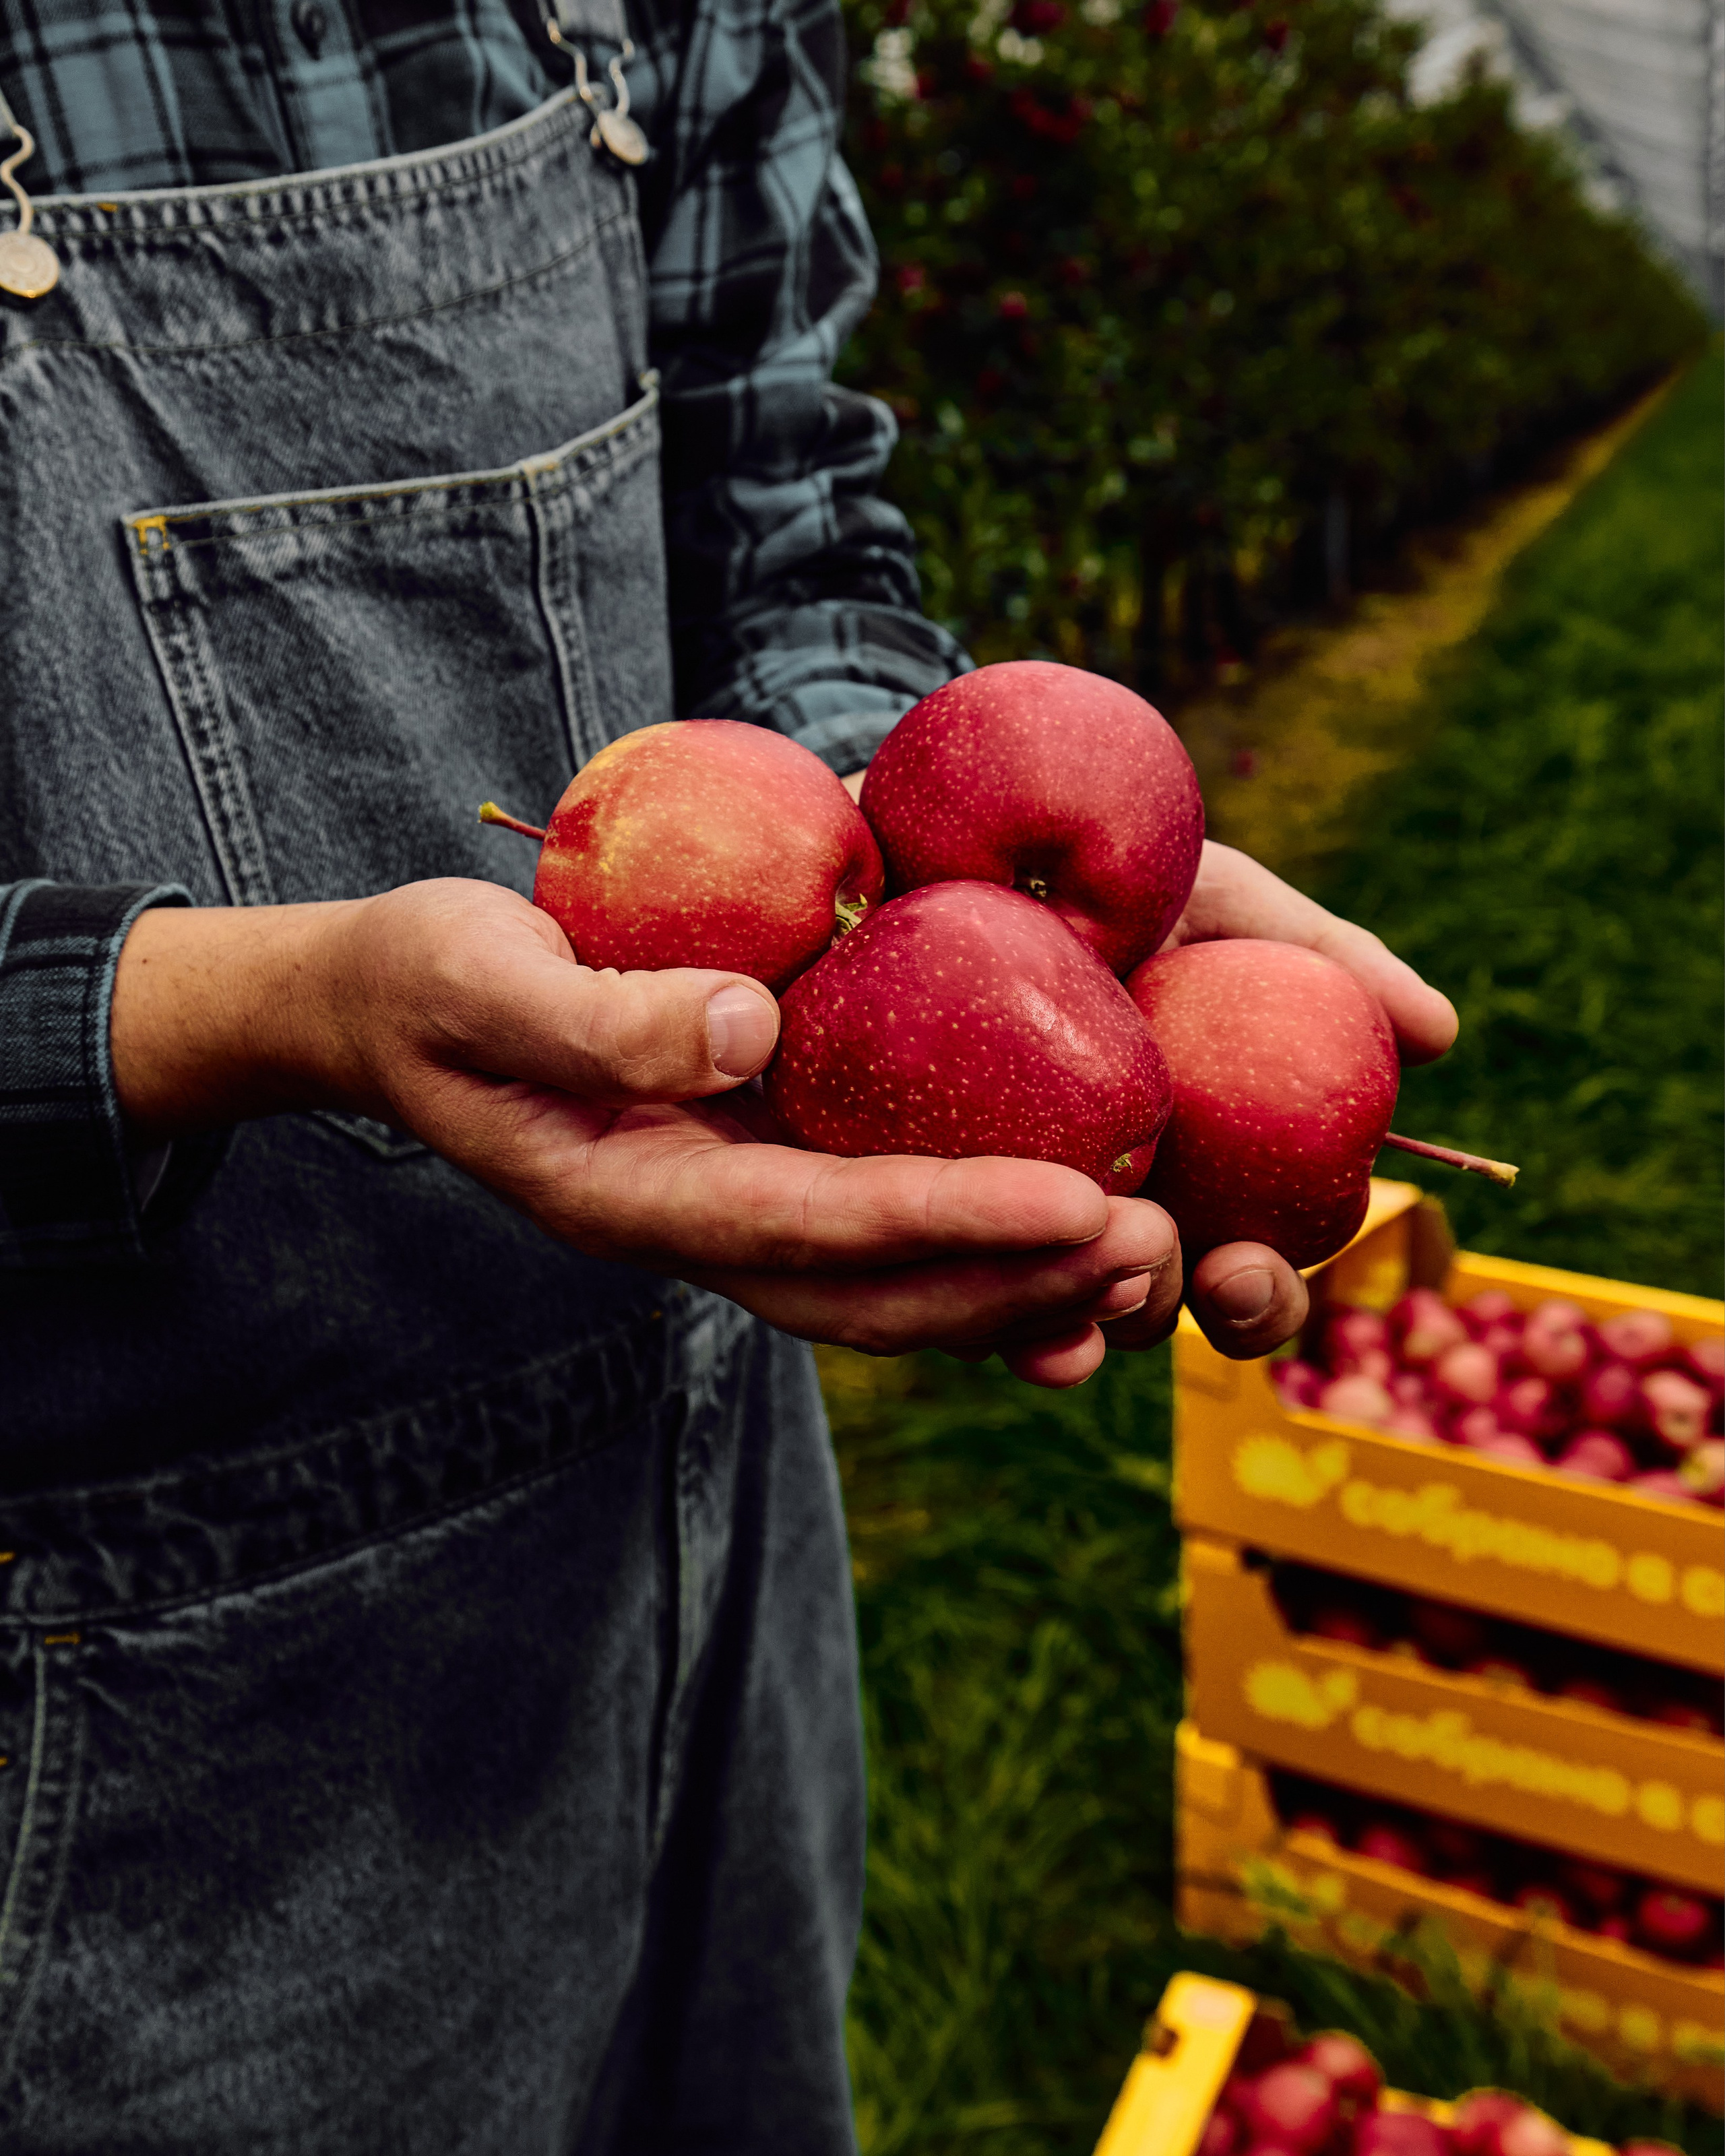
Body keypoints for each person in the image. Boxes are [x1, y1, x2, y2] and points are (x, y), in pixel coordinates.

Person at [0, 0, 1455, 2140]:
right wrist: (266, 1006)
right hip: (150, 1659)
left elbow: (787, 506)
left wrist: (905, 821)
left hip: (697, 1468)